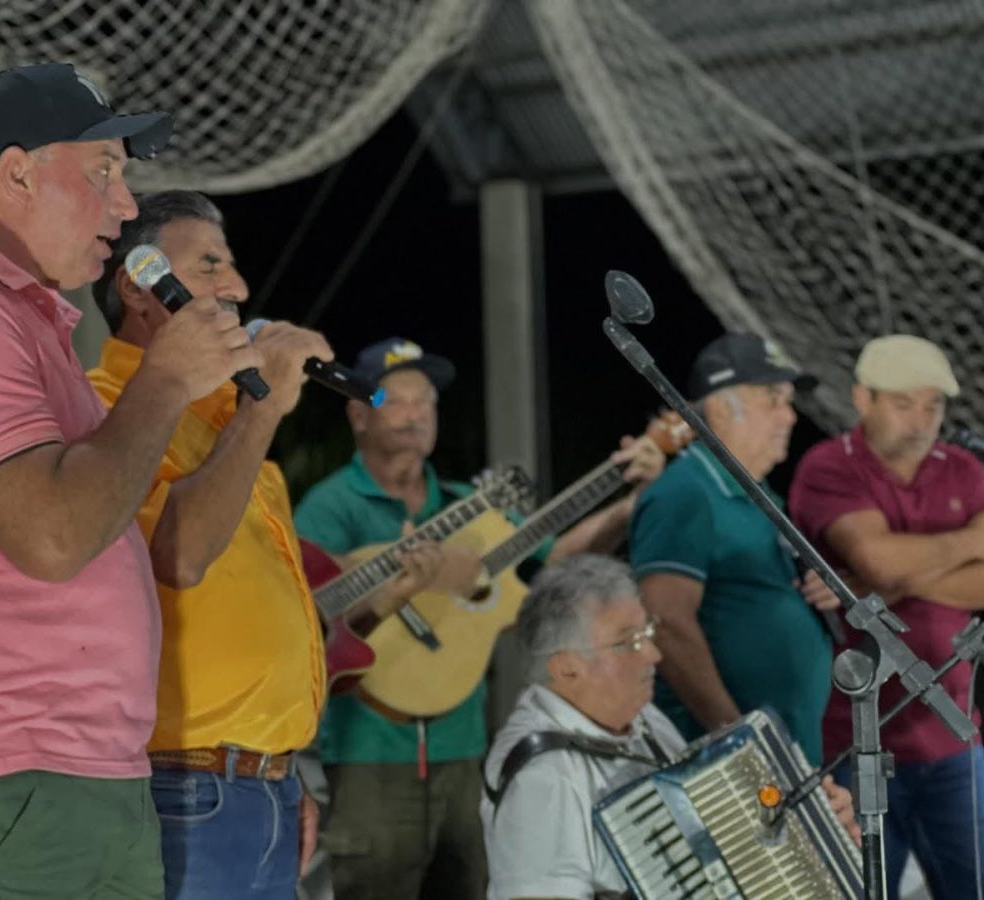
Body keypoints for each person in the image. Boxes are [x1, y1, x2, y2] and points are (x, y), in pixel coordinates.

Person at [0, 64, 260, 897]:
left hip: (77, 778)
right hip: (7, 777)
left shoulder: (23, 318)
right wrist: (161, 382)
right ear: (17, 173)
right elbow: (51, 536)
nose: (125, 207)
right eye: (105, 172)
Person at [87, 190, 462, 899]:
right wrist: (264, 407)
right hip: (184, 792)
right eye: (209, 266)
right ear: (138, 284)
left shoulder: (232, 431)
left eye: (231, 266)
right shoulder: (104, 404)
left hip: (264, 787)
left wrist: (280, 771)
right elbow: (180, 554)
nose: (239, 288)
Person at [294, 339, 666, 900]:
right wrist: (394, 591)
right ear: (357, 413)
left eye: (427, 403)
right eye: (397, 400)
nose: (417, 413)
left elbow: (552, 575)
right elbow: (308, 620)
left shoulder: (470, 504)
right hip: (369, 753)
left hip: (466, 751)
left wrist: (629, 502)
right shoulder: (329, 507)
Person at [788, 334, 984, 899]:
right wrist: (970, 540)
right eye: (903, 403)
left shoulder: (962, 468)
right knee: (856, 891)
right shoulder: (828, 467)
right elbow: (876, 556)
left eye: (933, 405)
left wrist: (877, 587)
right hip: (855, 744)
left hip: (953, 740)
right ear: (862, 399)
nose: (922, 421)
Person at [481, 554, 860, 899]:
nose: (654, 654)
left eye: (647, 632)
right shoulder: (542, 780)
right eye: (628, 642)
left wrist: (807, 826)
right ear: (565, 667)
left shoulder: (641, 719)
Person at [627, 331, 834, 766]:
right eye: (773, 399)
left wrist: (821, 590)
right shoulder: (686, 492)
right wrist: (737, 740)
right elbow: (664, 621)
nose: (790, 417)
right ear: (721, 407)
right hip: (726, 771)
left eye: (789, 402)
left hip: (786, 757)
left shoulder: (760, 497)